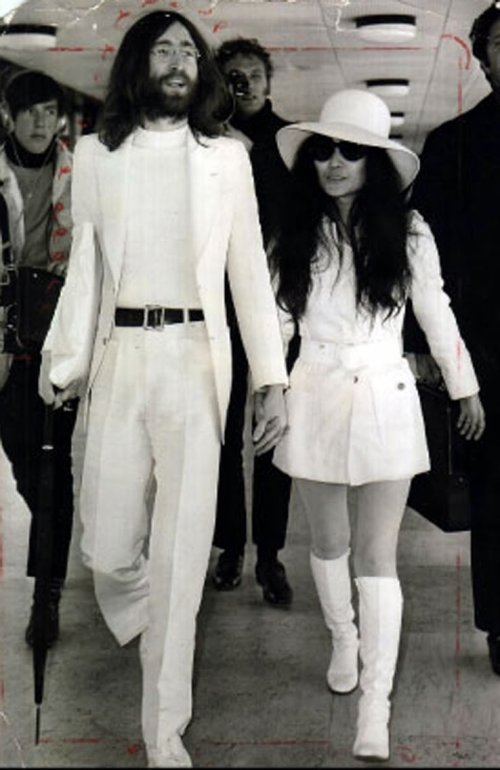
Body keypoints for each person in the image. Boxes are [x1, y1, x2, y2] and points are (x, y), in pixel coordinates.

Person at [38, 10, 288, 768]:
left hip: (195, 362)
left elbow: (249, 272)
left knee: (182, 553)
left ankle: (163, 730)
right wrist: (63, 360)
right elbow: (86, 268)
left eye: (188, 51)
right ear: (137, 66)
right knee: (107, 548)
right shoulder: (97, 155)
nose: (178, 61)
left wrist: (271, 379)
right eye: (162, 50)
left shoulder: (228, 158)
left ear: (200, 71)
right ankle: (156, 608)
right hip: (121, 358)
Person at [270, 89, 485, 762]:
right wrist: (266, 389)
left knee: (376, 556)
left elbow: (437, 310)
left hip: (387, 396)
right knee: (328, 542)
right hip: (313, 393)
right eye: (323, 151)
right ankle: (343, 637)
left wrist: (465, 387)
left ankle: (376, 703)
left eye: (351, 152)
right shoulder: (294, 232)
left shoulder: (410, 231)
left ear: (375, 164)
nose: (334, 163)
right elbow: (276, 321)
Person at [408, 2, 500, 679]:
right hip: (488, 348)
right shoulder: (453, 145)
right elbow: (421, 261)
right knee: (496, 490)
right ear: (482, 58)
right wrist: (428, 348)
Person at [211, 37, 294, 604]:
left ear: (268, 83)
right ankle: (230, 546)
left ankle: (269, 553)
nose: (244, 86)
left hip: (272, 302)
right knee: (221, 432)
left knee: (271, 431)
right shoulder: (204, 140)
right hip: (217, 303)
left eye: (253, 76)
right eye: (233, 77)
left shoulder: (288, 142)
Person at [0, 69, 75, 647]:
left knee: (53, 471)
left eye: (49, 111)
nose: (40, 122)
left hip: (53, 338)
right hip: (3, 337)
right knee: (27, 467)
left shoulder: (79, 175)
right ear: (9, 116)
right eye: (30, 111)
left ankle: (46, 596)